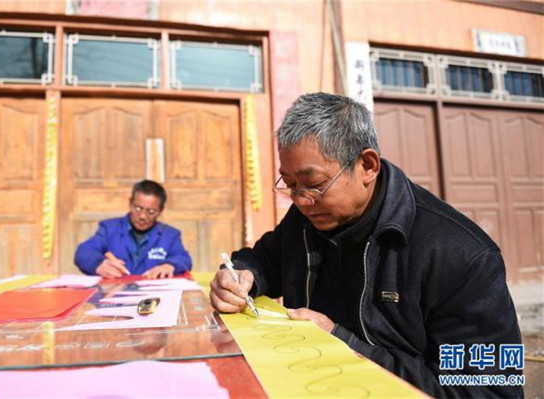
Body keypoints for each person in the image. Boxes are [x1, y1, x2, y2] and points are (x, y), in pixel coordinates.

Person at [210, 93, 522, 398]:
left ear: (367, 166)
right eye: (290, 184)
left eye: (314, 183)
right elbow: (264, 259)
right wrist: (241, 274)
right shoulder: (306, 218)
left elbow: (487, 390)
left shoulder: (460, 255)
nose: (301, 199)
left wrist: (340, 343)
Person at [75, 180, 192, 279]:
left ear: (160, 210)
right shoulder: (110, 229)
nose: (142, 216)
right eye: (138, 208)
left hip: (153, 298)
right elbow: (83, 252)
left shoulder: (170, 235)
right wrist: (97, 264)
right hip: (113, 295)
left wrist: (170, 265)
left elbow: (184, 259)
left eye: (151, 212)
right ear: (130, 203)